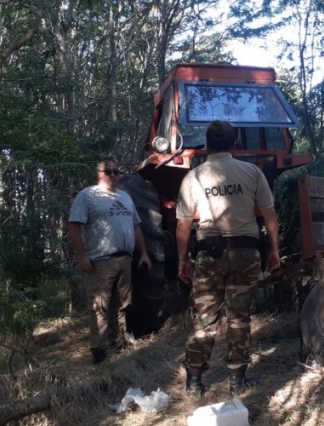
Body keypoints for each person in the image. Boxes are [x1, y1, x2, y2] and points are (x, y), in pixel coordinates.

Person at [175, 120, 281, 396]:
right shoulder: (252, 172)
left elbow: (183, 226)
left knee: (205, 318)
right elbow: (269, 216)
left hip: (210, 254)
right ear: (234, 143)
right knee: (239, 317)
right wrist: (274, 250)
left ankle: (194, 382)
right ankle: (237, 380)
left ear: (207, 145)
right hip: (246, 253)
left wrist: (182, 260)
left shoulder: (194, 177)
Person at [68, 160, 151, 364]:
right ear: (99, 174)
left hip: (125, 259)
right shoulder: (88, 196)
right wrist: (82, 256)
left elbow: (137, 227)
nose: (113, 175)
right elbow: (73, 227)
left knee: (122, 304)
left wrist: (145, 253)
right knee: (99, 306)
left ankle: (118, 343)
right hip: (100, 261)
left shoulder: (125, 197)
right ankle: (99, 351)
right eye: (109, 171)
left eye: (116, 172)